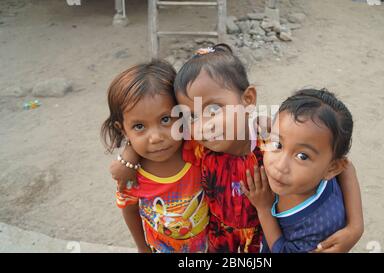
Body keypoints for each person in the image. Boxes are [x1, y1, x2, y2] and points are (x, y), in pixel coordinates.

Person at [110, 44, 363, 253]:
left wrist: (355, 227)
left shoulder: (272, 143)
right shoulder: (198, 146)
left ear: (248, 99)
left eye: (213, 109)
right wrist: (128, 157)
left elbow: (341, 165)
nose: (205, 125)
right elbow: (155, 135)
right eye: (191, 116)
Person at [101, 60, 209, 253]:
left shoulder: (197, 148)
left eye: (165, 119)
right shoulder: (131, 175)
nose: (156, 138)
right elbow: (130, 210)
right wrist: (142, 249)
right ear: (123, 129)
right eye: (139, 126)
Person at [242, 88, 362, 252]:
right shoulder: (322, 165)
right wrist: (356, 226)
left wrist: (264, 209)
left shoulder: (317, 226)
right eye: (278, 144)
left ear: (332, 168)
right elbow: (348, 168)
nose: (280, 166)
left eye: (302, 156)